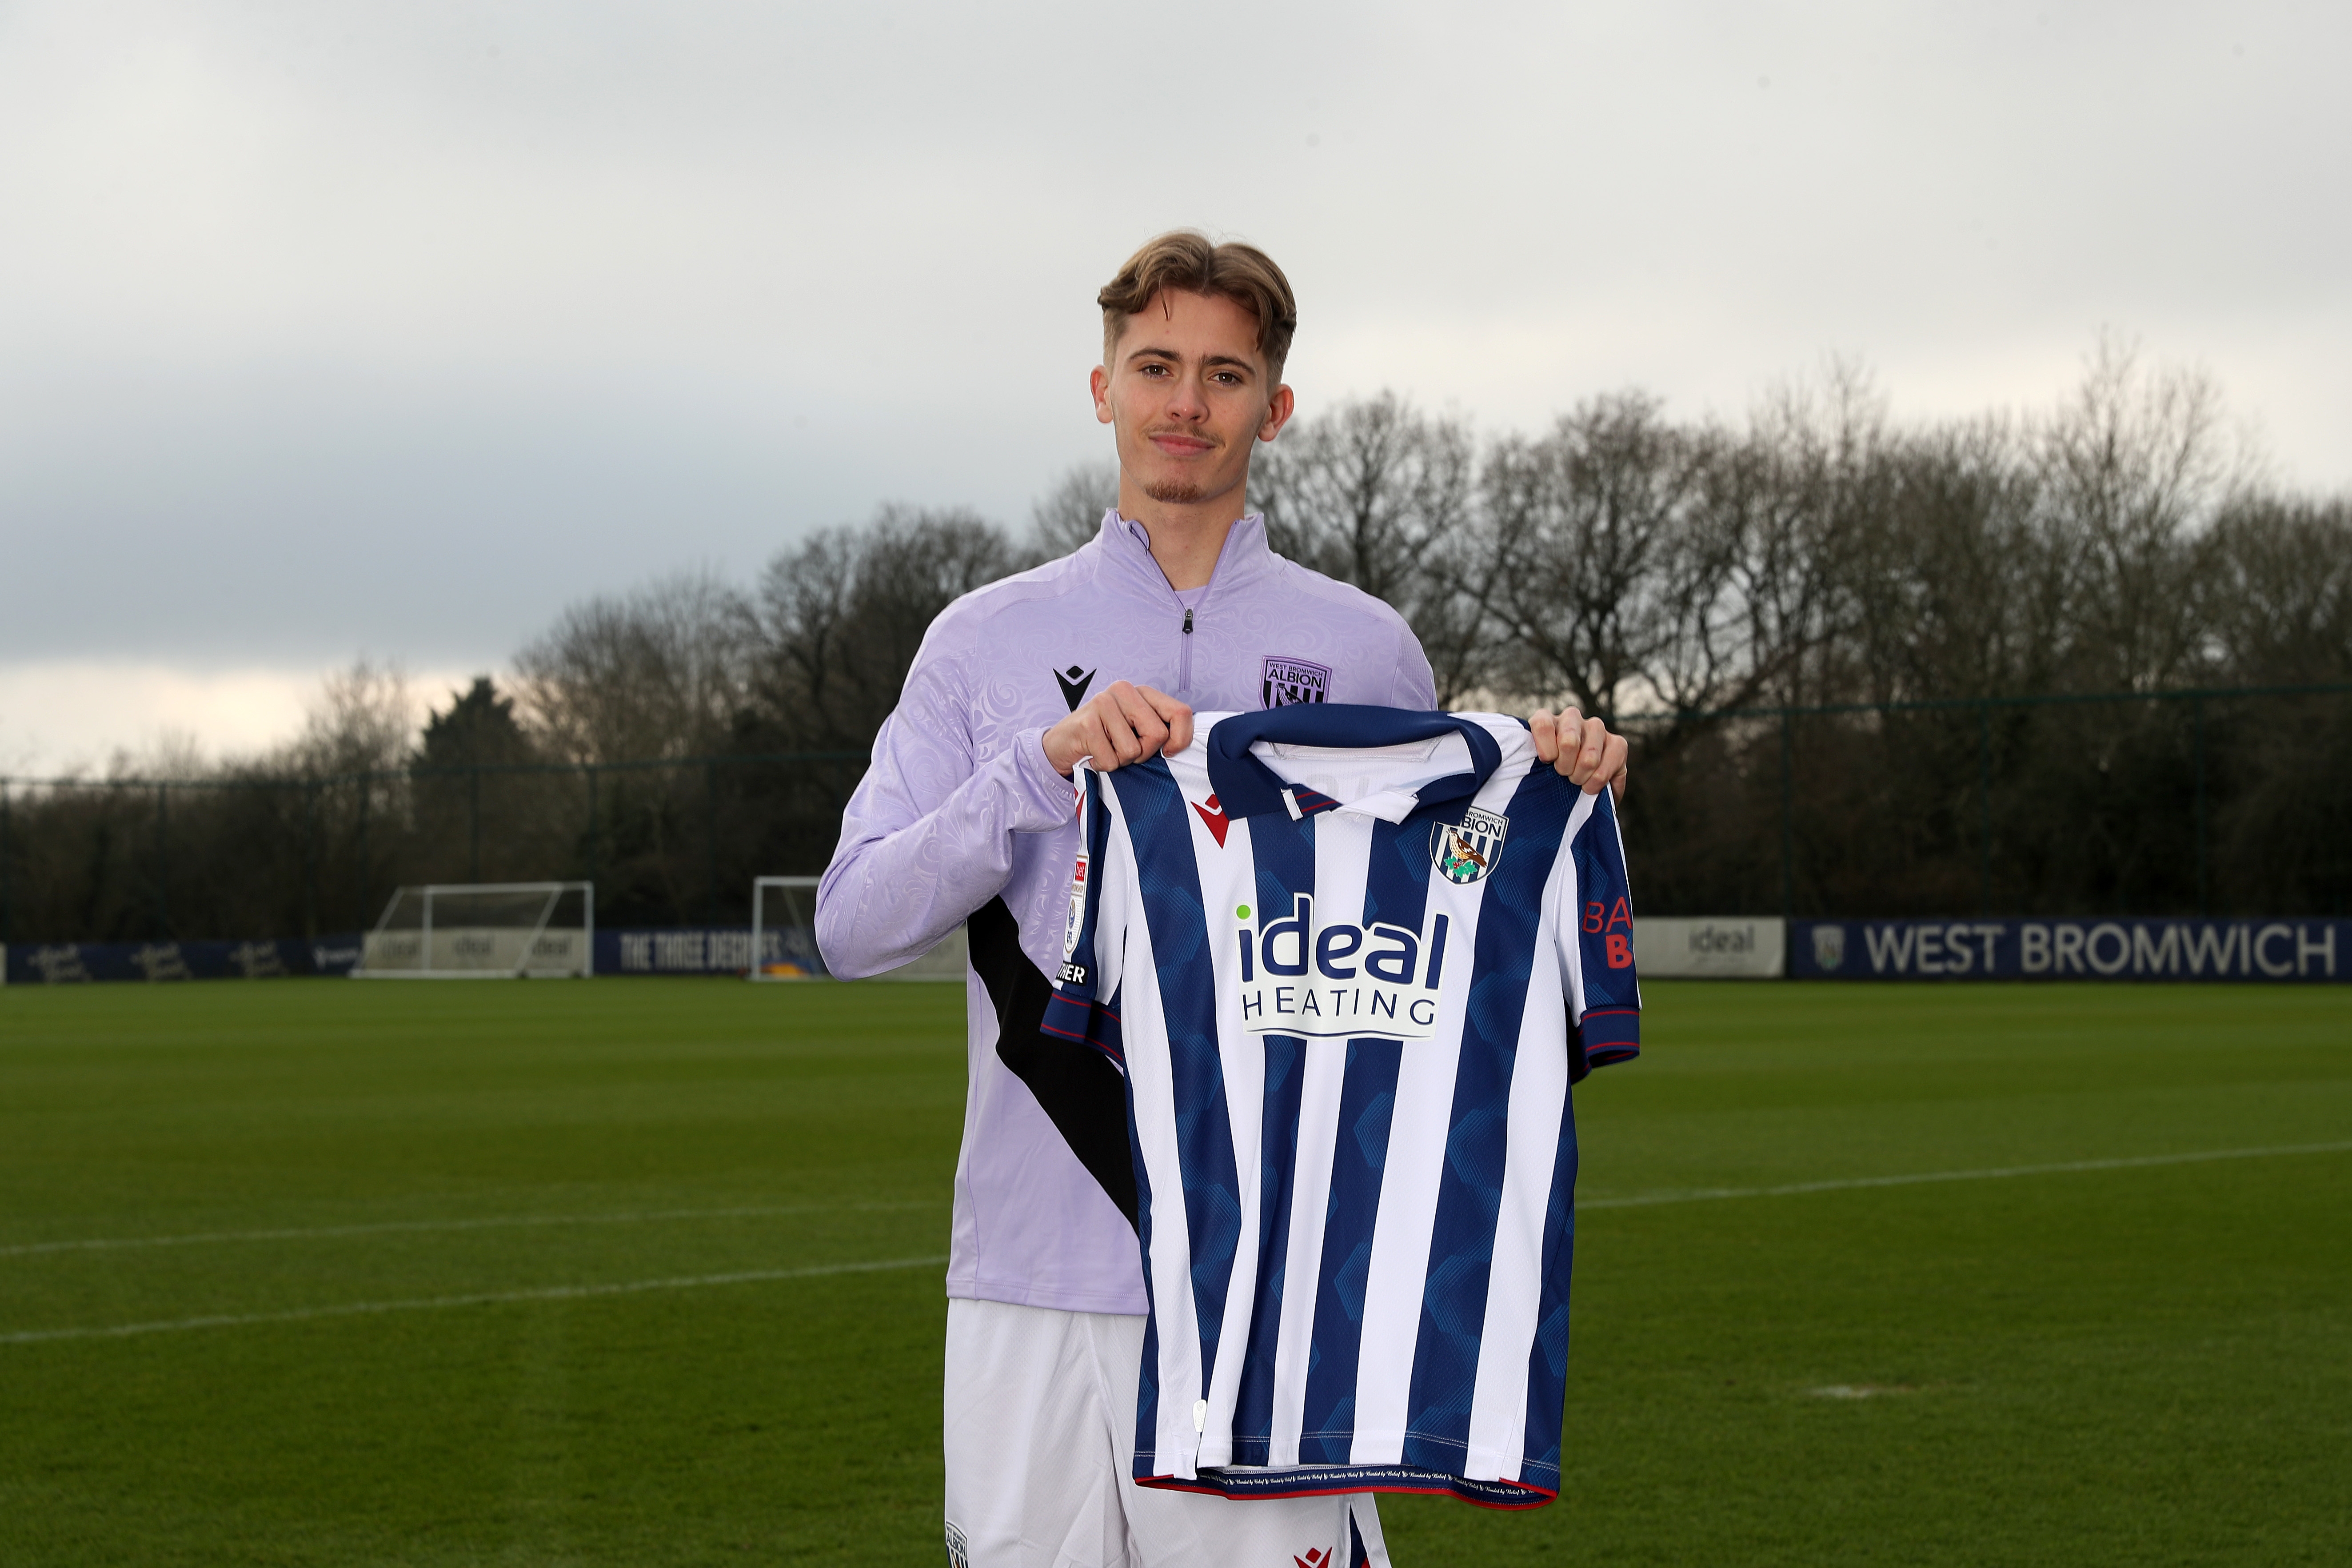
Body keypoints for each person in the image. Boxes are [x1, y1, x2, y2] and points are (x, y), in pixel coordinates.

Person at [817, 231, 1628, 1568]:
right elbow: (849, 924)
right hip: (1033, 1275)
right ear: (1101, 388)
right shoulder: (981, 641)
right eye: (1155, 366)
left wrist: (1565, 786)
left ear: (1275, 407)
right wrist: (1039, 765)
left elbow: (1436, 948)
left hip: (1277, 1282)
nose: (1185, 401)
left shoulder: (1370, 648)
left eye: (1224, 373)